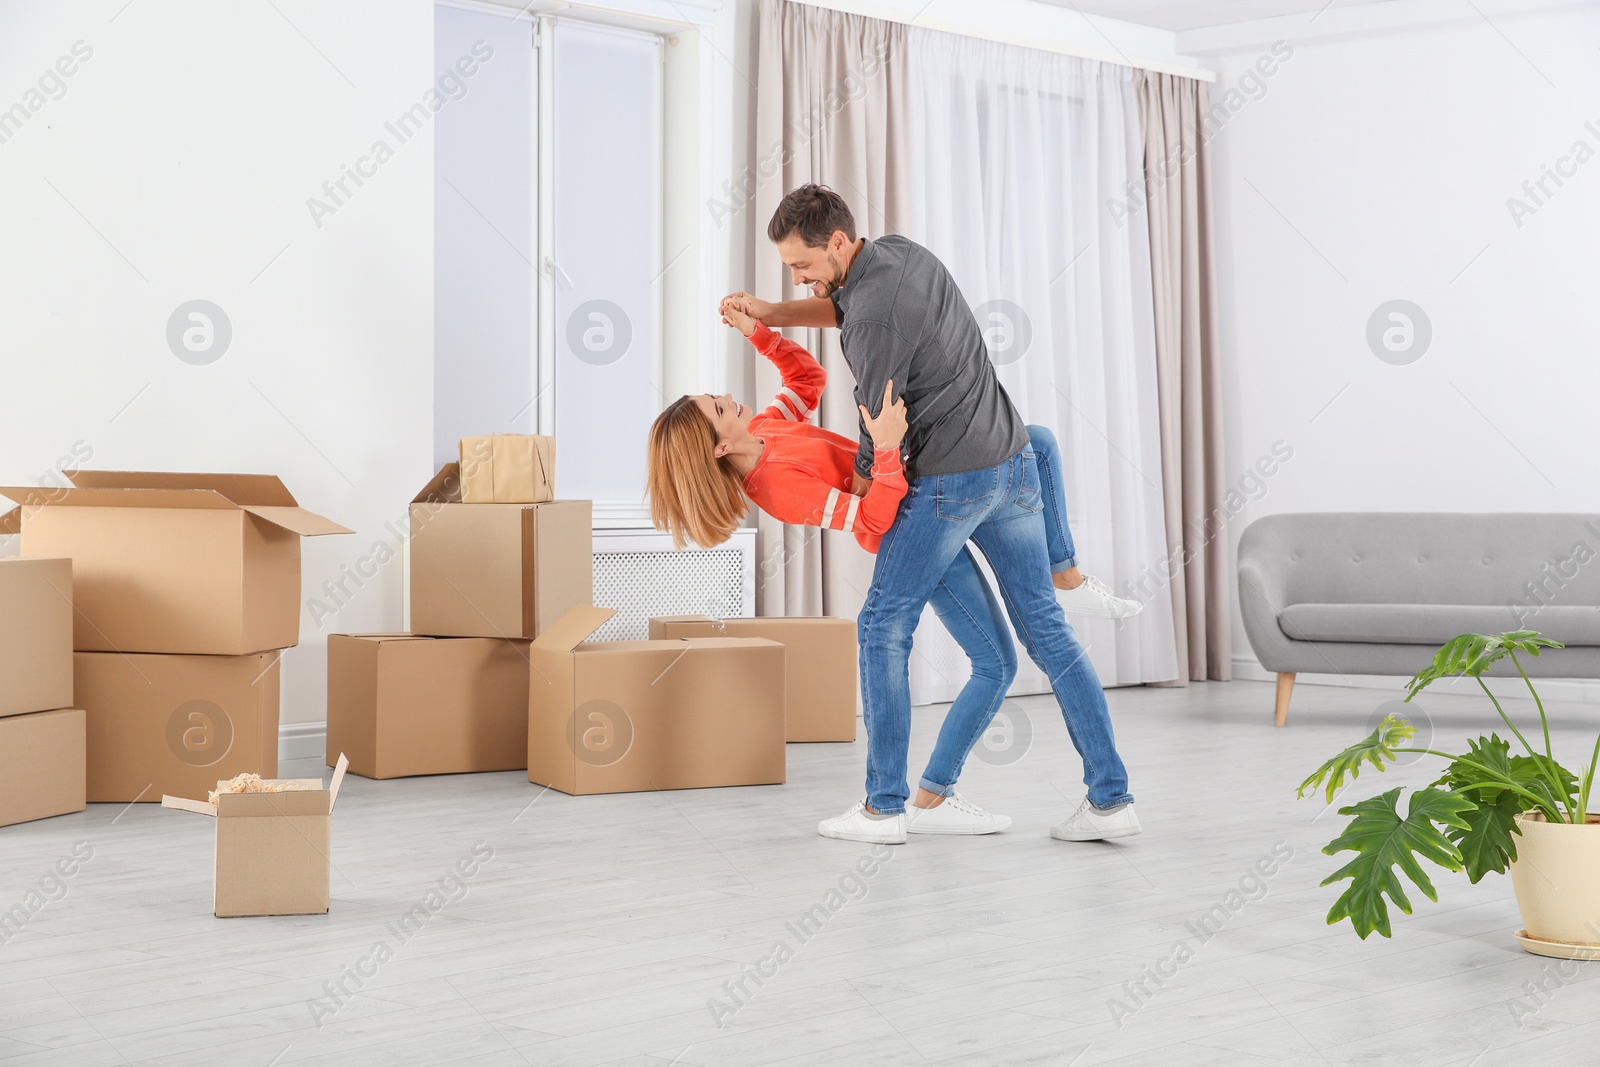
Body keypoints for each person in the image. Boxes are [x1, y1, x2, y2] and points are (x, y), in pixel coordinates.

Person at [722, 184, 1141, 845]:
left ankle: (883, 810)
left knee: (882, 629)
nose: (797, 277)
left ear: (836, 242)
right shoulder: (899, 254)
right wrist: (770, 315)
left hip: (947, 484)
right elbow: (842, 315)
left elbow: (874, 424)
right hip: (1010, 459)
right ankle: (1109, 800)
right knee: (1046, 639)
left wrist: (869, 475)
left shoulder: (865, 329)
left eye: (800, 265)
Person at [648, 300, 1132, 842]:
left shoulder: (764, 428)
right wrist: (883, 448)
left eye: (716, 396)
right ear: (718, 445)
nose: (727, 398)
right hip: (912, 531)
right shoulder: (775, 488)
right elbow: (872, 521)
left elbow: (808, 378)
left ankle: (930, 798)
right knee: (977, 655)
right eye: (718, 407)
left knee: (997, 657)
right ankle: (899, 802)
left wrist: (760, 334)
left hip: (934, 498)